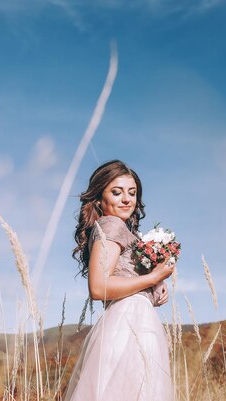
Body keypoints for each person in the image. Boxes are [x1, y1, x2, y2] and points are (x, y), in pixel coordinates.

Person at [64, 159, 175, 401]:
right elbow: (99, 286)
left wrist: (154, 287)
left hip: (133, 320)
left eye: (132, 193)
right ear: (99, 198)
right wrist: (153, 278)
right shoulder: (112, 225)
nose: (126, 199)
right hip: (127, 325)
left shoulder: (124, 231)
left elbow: (119, 279)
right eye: (117, 192)